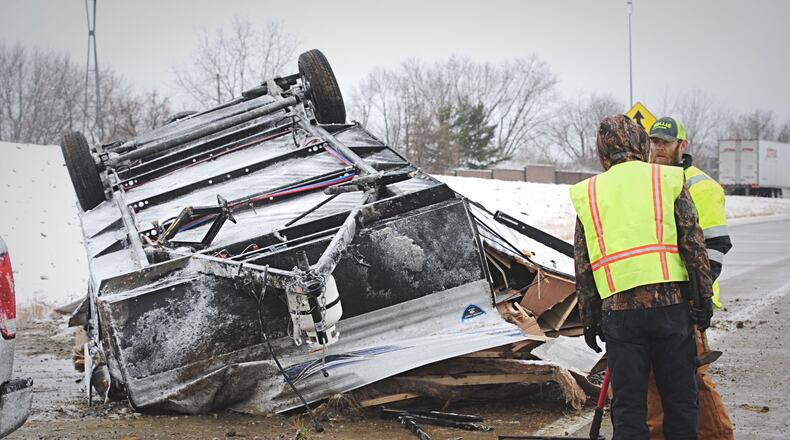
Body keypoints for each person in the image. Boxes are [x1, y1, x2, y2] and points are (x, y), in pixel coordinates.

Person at [570, 114, 714, 440]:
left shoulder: (589, 193)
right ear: (639, 142)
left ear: (602, 150)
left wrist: (590, 318)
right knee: (679, 400)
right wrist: (702, 299)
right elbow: (693, 245)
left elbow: (584, 266)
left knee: (629, 407)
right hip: (671, 311)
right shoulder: (667, 180)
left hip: (620, 316)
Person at [647, 116, 735, 440]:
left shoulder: (701, 186)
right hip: (656, 300)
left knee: (693, 382)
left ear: (682, 146)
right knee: (655, 382)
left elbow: (715, 246)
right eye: (654, 142)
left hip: (688, 302)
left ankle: (717, 436)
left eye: (665, 143)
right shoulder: (647, 181)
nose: (658, 148)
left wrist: (700, 299)